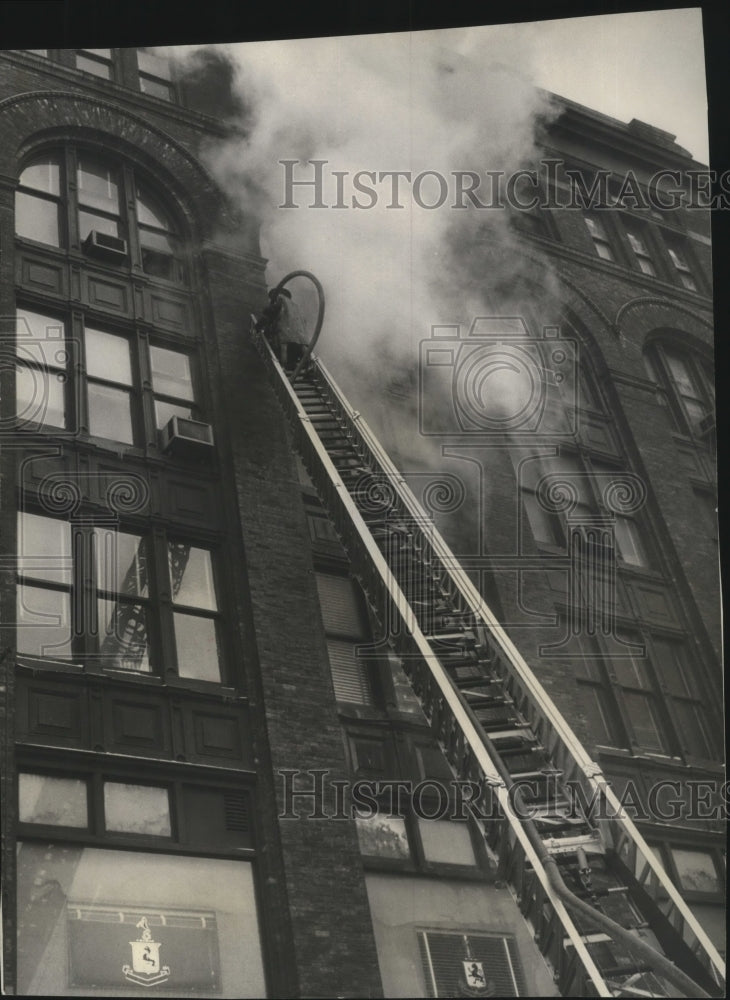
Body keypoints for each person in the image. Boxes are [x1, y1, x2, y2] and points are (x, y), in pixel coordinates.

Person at [259, 287, 309, 371]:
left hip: (285, 327)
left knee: (284, 346)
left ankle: (283, 367)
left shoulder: (280, 299)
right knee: (302, 346)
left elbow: (273, 310)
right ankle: (309, 365)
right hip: (299, 330)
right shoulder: (295, 306)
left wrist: (265, 311)